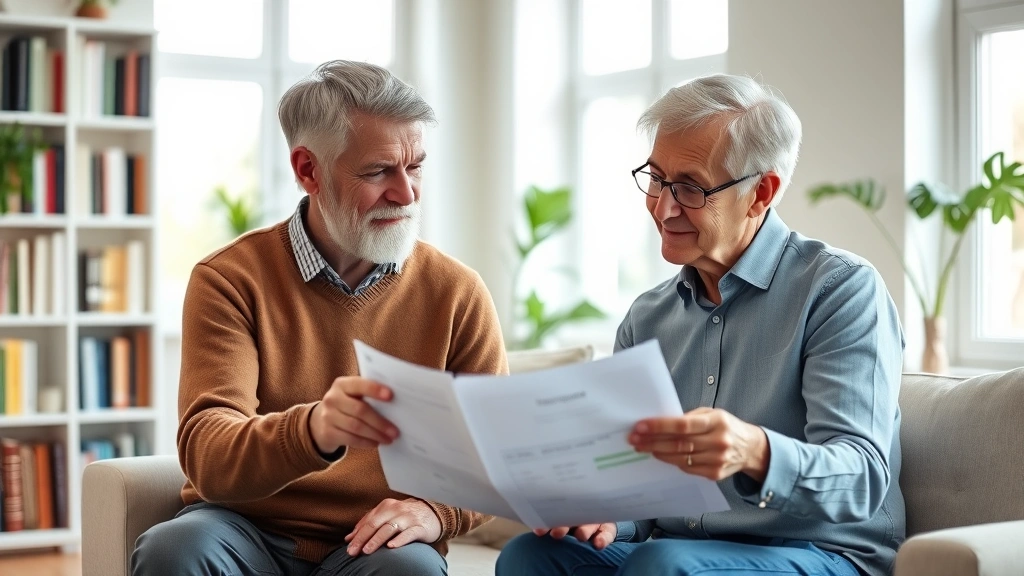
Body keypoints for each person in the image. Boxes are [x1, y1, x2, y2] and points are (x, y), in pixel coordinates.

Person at [497, 74, 905, 576]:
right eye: (656, 178)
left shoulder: (839, 290)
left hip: (820, 552)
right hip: (673, 550)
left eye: (689, 188)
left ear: (761, 193)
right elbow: (639, 494)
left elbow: (861, 479)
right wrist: (606, 515)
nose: (662, 208)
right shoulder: (647, 318)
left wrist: (753, 450)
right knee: (531, 557)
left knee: (663, 563)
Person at [132, 60, 507, 576]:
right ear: (308, 169)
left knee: (412, 572)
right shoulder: (229, 280)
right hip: (244, 532)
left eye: (415, 166)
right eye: (379, 172)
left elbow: (495, 457)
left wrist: (434, 513)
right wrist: (315, 428)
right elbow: (209, 454)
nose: (407, 192)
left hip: (376, 544)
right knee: (174, 549)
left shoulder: (456, 292)